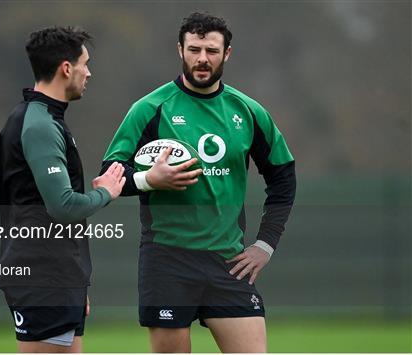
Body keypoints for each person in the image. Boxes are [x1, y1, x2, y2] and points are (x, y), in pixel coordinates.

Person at [101, 12, 296, 352]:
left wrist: (265, 244)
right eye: (194, 49)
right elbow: (110, 178)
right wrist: (149, 179)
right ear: (180, 50)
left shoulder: (248, 111)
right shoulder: (149, 108)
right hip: (167, 260)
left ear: (227, 53)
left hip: (229, 263)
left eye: (211, 50)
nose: (202, 59)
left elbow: (283, 178)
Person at [0, 26, 125, 353]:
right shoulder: (38, 125)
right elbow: (62, 206)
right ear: (66, 68)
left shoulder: (42, 119)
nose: (89, 72)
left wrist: (76, 280)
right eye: (85, 63)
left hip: (58, 277)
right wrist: (105, 193)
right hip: (43, 278)